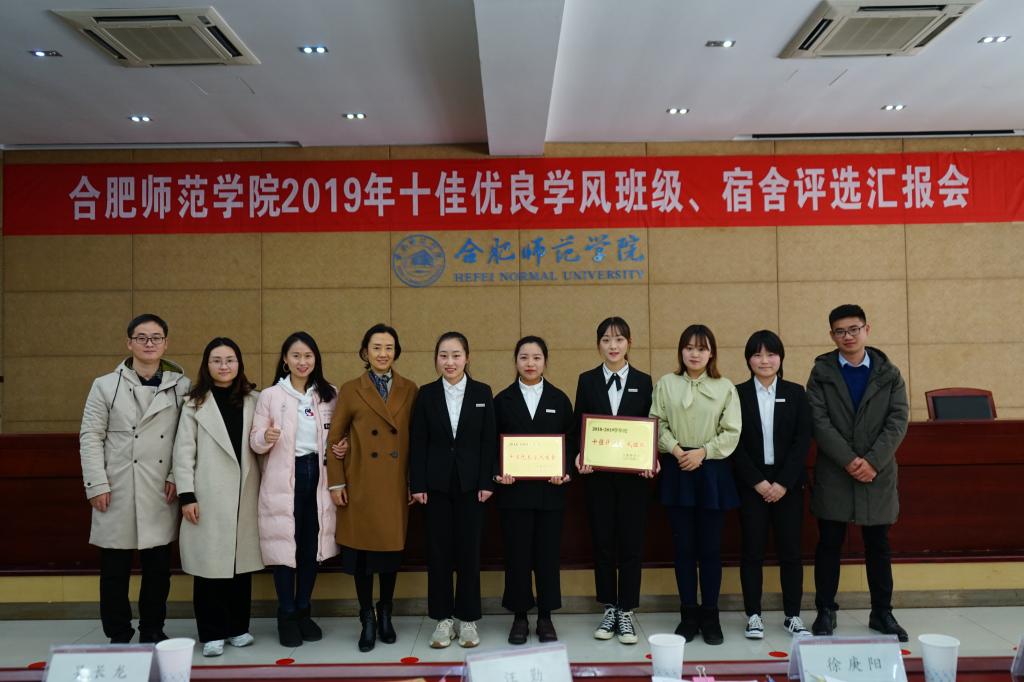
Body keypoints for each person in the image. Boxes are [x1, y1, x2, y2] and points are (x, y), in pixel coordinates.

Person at [79, 313, 190, 644]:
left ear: (166, 344)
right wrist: (96, 484)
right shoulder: (105, 385)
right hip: (117, 486)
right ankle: (118, 633)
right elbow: (90, 436)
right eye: (141, 337)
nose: (149, 343)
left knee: (158, 569)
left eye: (156, 337)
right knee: (114, 569)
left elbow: (187, 437)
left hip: (159, 487)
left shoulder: (181, 386)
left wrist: (177, 476)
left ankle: (153, 629)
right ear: (129, 343)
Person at [807, 304, 910, 642]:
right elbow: (818, 421)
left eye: (854, 329)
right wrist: (849, 460)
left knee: (878, 545)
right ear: (831, 335)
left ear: (867, 329)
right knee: (829, 543)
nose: (847, 336)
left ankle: (882, 612)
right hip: (835, 471)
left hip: (877, 473)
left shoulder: (888, 373)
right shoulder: (821, 373)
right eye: (840, 331)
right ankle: (825, 610)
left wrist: (872, 462)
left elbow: (898, 420)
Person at [327, 324, 418, 652]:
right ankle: (366, 616)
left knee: (390, 554)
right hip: (360, 483)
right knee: (362, 556)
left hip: (394, 484)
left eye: (389, 347)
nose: (383, 353)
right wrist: (336, 480)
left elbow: (418, 439)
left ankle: (386, 612)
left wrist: (414, 482)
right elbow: (335, 438)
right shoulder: (351, 389)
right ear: (365, 352)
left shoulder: (410, 389)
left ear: (396, 352)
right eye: (376, 347)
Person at [650, 324, 741, 645]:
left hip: (712, 470)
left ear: (711, 353)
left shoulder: (725, 387)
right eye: (689, 347)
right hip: (678, 469)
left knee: (711, 549)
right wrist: (676, 450)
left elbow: (732, 431)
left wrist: (703, 452)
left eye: (701, 348)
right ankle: (688, 614)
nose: (694, 354)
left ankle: (711, 615)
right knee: (684, 548)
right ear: (681, 351)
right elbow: (656, 422)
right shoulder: (666, 383)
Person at [173, 337, 262, 657]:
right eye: (217, 360)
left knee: (240, 566)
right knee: (209, 567)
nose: (224, 366)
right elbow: (183, 452)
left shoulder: (255, 400)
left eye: (230, 360)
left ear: (239, 364)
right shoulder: (194, 404)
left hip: (245, 494)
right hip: (208, 494)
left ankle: (238, 627)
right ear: (206, 365)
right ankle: (211, 633)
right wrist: (187, 496)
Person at [250, 331, 339, 648]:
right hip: (284, 479)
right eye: (296, 356)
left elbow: (338, 436)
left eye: (308, 356)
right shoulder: (271, 396)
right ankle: (286, 614)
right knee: (284, 547)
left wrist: (341, 446)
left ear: (316, 360)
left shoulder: (329, 394)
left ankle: (304, 610)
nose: (303, 361)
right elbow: (254, 440)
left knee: (311, 547)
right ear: (285, 360)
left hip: (319, 478)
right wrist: (265, 438)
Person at [410, 331, 498, 650]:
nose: (450, 362)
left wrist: (487, 481)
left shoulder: (482, 392)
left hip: (472, 486)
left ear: (467, 358)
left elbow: (489, 440)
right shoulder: (426, 394)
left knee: (469, 552)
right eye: (444, 355)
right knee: (439, 553)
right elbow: (418, 441)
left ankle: (468, 618)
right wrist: (417, 483)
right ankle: (442, 618)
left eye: (456, 355)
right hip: (435, 487)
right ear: (436, 359)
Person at [570, 316, 654, 645]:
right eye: (606, 340)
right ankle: (609, 607)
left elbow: (651, 425)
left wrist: (651, 458)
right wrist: (579, 455)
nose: (613, 346)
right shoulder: (587, 380)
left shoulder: (645, 381)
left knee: (631, 543)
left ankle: (627, 610)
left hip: (634, 479)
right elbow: (579, 425)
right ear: (598, 345)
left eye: (619, 339)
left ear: (629, 343)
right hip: (598, 478)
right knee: (603, 542)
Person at [493, 336, 574, 645]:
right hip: (513, 493)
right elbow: (490, 442)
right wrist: (498, 472)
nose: (530, 363)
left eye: (536, 357)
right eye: (524, 357)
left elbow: (570, 442)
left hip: (550, 493)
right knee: (517, 556)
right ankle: (519, 616)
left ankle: (545, 616)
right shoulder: (502, 400)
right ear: (515, 361)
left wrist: (564, 470)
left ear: (545, 362)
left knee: (547, 556)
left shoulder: (559, 399)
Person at [731, 330, 812, 640]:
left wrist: (782, 483)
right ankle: (753, 615)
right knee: (752, 551)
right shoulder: (737, 394)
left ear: (781, 357)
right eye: (757, 354)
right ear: (748, 360)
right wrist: (758, 481)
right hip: (751, 485)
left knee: (790, 551)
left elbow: (802, 440)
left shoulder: (796, 392)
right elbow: (734, 442)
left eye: (771, 354)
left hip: (787, 486)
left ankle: (793, 615)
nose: (764, 360)